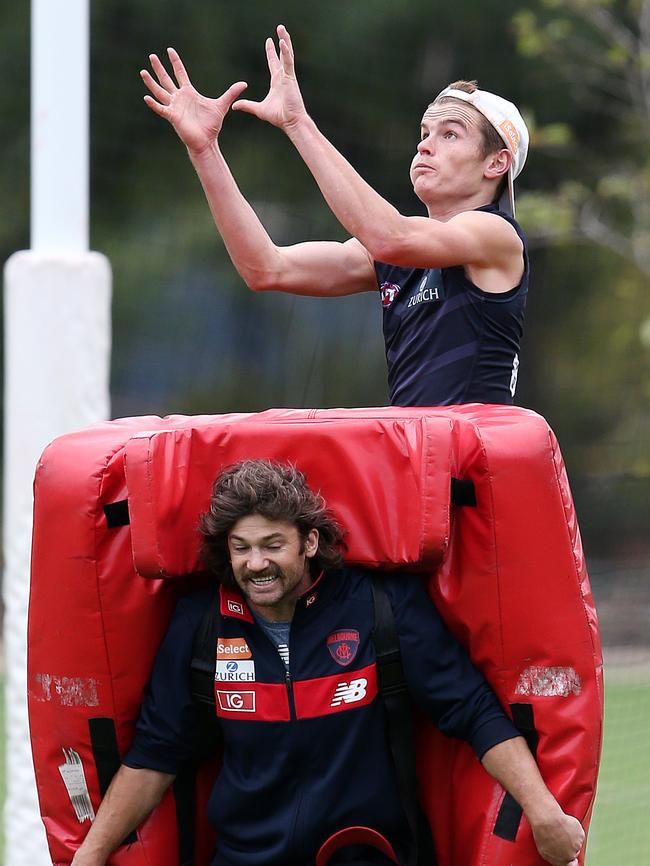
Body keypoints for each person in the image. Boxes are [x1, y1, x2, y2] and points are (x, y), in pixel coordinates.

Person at [71, 459, 584, 866]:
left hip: (367, 853)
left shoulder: (381, 608)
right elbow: (157, 752)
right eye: (241, 548)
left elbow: (472, 711)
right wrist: (90, 854)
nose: (256, 564)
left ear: (309, 542)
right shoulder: (200, 624)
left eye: (273, 545)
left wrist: (544, 814)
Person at [140, 26, 529, 407]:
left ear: (496, 163)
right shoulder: (396, 255)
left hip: (471, 466)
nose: (425, 146)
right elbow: (266, 268)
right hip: (420, 462)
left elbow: (392, 236)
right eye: (424, 133)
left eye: (449, 135)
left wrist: (297, 122)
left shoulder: (494, 232)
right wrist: (205, 150)